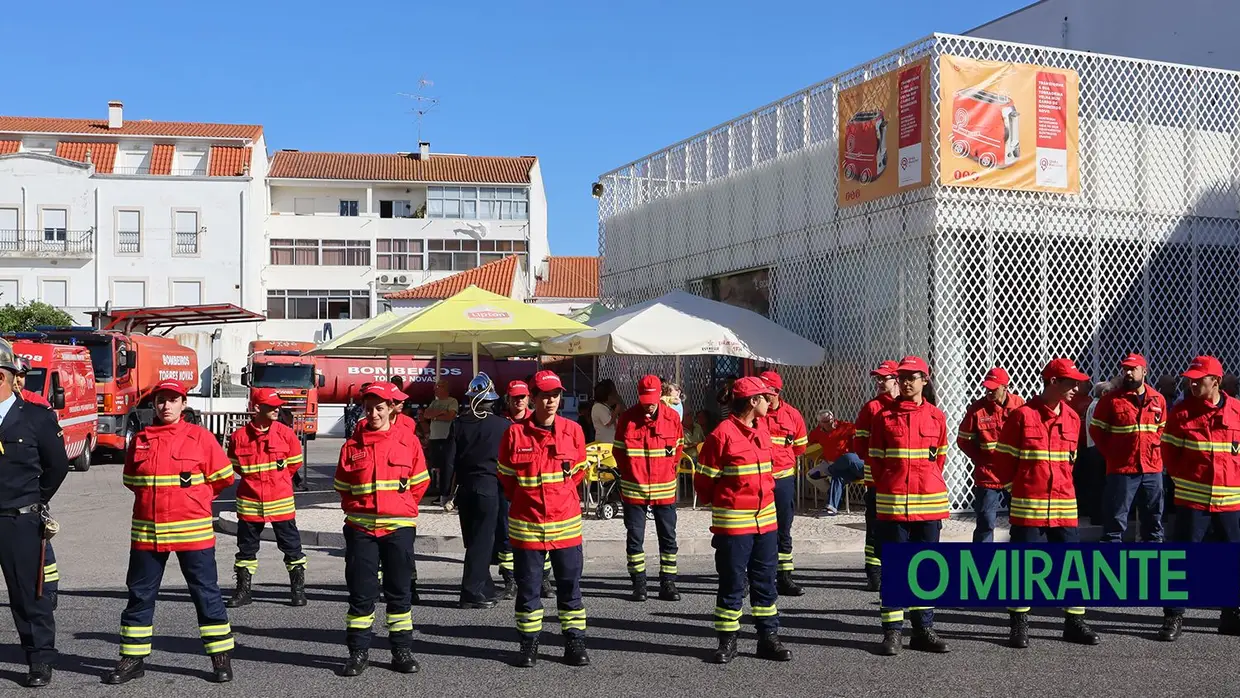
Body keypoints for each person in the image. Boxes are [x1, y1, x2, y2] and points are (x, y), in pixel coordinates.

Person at [106, 380, 236, 685]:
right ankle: (132, 659)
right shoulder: (141, 440)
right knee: (140, 596)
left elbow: (223, 479)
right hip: (147, 534)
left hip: (193, 533)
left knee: (206, 594)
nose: (166, 405)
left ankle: (220, 658)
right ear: (155, 404)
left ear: (183, 403)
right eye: (161, 400)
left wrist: (197, 500)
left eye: (172, 400)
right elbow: (131, 481)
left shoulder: (201, 438)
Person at [992, 358, 1101, 649]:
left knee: (1072, 567)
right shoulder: (1022, 416)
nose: (1076, 388)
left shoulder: (1073, 418)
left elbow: (1070, 462)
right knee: (1021, 567)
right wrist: (1016, 489)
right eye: (1070, 383)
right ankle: (1019, 624)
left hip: (1064, 506)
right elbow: (1002, 462)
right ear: (1053, 382)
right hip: (1029, 506)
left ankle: (1074, 622)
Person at [334, 381, 430, 677]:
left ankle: (401, 651)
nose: (373, 413)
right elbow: (343, 488)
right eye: (369, 408)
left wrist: (399, 509)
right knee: (361, 594)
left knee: (399, 592)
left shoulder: (408, 442)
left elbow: (419, 483)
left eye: (380, 408)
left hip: (398, 528)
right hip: (362, 529)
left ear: (391, 409)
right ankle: (358, 652)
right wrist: (361, 510)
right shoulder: (351, 446)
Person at [695, 376, 791, 664]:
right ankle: (727, 641)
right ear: (752, 401)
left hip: (766, 523)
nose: (769, 401)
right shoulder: (721, 435)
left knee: (765, 583)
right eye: (764, 397)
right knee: (733, 582)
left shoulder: (761, 429)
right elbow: (704, 484)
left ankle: (768, 638)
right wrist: (730, 501)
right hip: (735, 524)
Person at [497, 370, 589, 668]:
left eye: (555, 395)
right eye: (544, 395)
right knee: (528, 590)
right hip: (528, 527)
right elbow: (507, 480)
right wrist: (530, 501)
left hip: (565, 526)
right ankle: (529, 644)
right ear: (532, 398)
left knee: (569, 588)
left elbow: (577, 474)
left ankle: (574, 643)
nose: (550, 401)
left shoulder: (573, 431)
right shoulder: (514, 434)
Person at [868, 356, 950, 656]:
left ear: (924, 380)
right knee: (894, 569)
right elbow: (875, 460)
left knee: (926, 569)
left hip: (928, 505)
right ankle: (892, 632)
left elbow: (938, 459)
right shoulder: (883, 417)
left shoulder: (936, 417)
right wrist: (893, 483)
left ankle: (922, 629)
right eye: (901, 377)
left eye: (912, 377)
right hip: (893, 506)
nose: (905, 381)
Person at [0, 343, 69, 687]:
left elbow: (57, 466)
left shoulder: (36, 417)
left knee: (28, 595)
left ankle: (39, 659)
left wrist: (34, 500)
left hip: (18, 520)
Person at [1158, 355, 1240, 642]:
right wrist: (1185, 482)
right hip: (1193, 502)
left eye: (1198, 379)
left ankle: (1231, 614)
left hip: (1231, 503)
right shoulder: (1181, 414)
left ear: (1215, 381)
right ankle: (1173, 616)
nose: (1191, 383)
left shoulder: (1238, 412)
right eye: (1189, 379)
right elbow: (1168, 455)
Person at [225, 388, 308, 609]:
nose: (276, 409)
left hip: (280, 502)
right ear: (257, 408)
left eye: (277, 405)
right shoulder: (239, 437)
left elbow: (294, 464)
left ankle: (297, 590)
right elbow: (236, 466)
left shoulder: (285, 433)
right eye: (271, 406)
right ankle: (244, 592)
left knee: (292, 548)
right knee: (246, 550)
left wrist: (277, 482)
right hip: (250, 503)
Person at [613, 375, 684, 603]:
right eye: (645, 399)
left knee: (668, 538)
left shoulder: (672, 418)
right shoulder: (627, 419)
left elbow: (678, 451)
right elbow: (619, 452)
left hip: (664, 490)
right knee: (635, 539)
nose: (649, 403)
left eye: (653, 399)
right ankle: (639, 584)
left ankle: (668, 583)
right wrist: (631, 475)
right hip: (635, 489)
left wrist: (667, 473)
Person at [448, 373, 511, 608]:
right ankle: (471, 592)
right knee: (482, 542)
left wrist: (446, 491)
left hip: (465, 489)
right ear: (492, 401)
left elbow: (448, 461)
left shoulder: (459, 424)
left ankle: (485, 586)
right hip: (489, 488)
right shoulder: (504, 426)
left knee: (475, 540)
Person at [1089, 354, 1167, 544]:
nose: (1128, 373)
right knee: (1115, 523)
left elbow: (1162, 430)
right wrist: (1114, 454)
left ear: (1144, 372)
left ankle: (1153, 566)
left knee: (1153, 523)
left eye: (1133, 369)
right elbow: (1097, 431)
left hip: (1151, 470)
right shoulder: (1111, 400)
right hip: (1122, 470)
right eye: (1125, 370)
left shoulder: (1157, 400)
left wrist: (1154, 455)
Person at [13, 358, 61, 613]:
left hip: (31, 487)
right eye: (16, 374)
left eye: (22, 375)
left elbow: (53, 456)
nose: (19, 380)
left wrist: (40, 492)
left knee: (41, 542)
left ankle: (49, 590)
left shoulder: (37, 405)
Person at [956, 367, 1025, 543]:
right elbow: (964, 440)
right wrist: (981, 460)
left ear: (1005, 387)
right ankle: (982, 562)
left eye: (993, 388)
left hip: (1014, 474)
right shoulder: (977, 409)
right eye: (987, 387)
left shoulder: (1019, 405)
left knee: (1020, 521)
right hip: (988, 475)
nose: (989, 391)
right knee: (986, 521)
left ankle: (1018, 559)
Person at [758, 371, 808, 596]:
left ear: (777, 392)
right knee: (757, 529)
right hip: (758, 479)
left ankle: (784, 576)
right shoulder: (755, 414)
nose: (765, 397)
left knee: (783, 529)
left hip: (783, 479)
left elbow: (800, 447)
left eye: (768, 393)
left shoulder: (793, 415)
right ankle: (757, 575)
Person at [853, 360, 900, 592]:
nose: (880, 383)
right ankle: (874, 573)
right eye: (878, 379)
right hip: (876, 481)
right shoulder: (871, 408)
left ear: (896, 380)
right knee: (874, 528)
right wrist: (878, 462)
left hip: (901, 483)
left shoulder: (907, 406)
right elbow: (860, 444)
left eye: (885, 378)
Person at [805, 410, 861, 515]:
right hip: (828, 463)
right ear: (820, 423)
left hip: (845, 464)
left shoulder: (845, 426)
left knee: (839, 470)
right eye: (825, 422)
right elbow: (808, 442)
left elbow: (860, 433)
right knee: (811, 475)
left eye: (830, 420)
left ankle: (835, 498)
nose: (829, 423)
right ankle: (834, 493)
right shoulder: (818, 432)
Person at [422, 380, 459, 507]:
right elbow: (426, 415)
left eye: (438, 387)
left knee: (447, 467)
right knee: (437, 467)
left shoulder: (452, 401)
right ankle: (439, 492)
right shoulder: (434, 402)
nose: (435, 389)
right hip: (435, 438)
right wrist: (441, 413)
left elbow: (450, 416)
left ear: (445, 388)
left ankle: (446, 493)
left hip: (446, 438)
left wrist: (435, 416)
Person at [590, 379, 621, 445]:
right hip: (604, 443)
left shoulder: (608, 407)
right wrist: (616, 411)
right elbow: (608, 422)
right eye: (613, 394)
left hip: (612, 442)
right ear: (608, 396)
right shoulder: (598, 407)